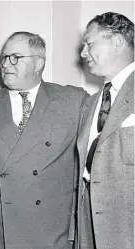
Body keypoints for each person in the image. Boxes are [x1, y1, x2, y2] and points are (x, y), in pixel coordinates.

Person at [0, 31, 89, 249]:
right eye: (4, 58)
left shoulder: (73, 101)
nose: (6, 64)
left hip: (52, 232)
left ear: (38, 63)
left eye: (15, 57)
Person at [75, 12, 134, 249]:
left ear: (117, 42)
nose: (83, 53)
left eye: (90, 44)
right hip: (90, 226)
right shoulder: (91, 102)